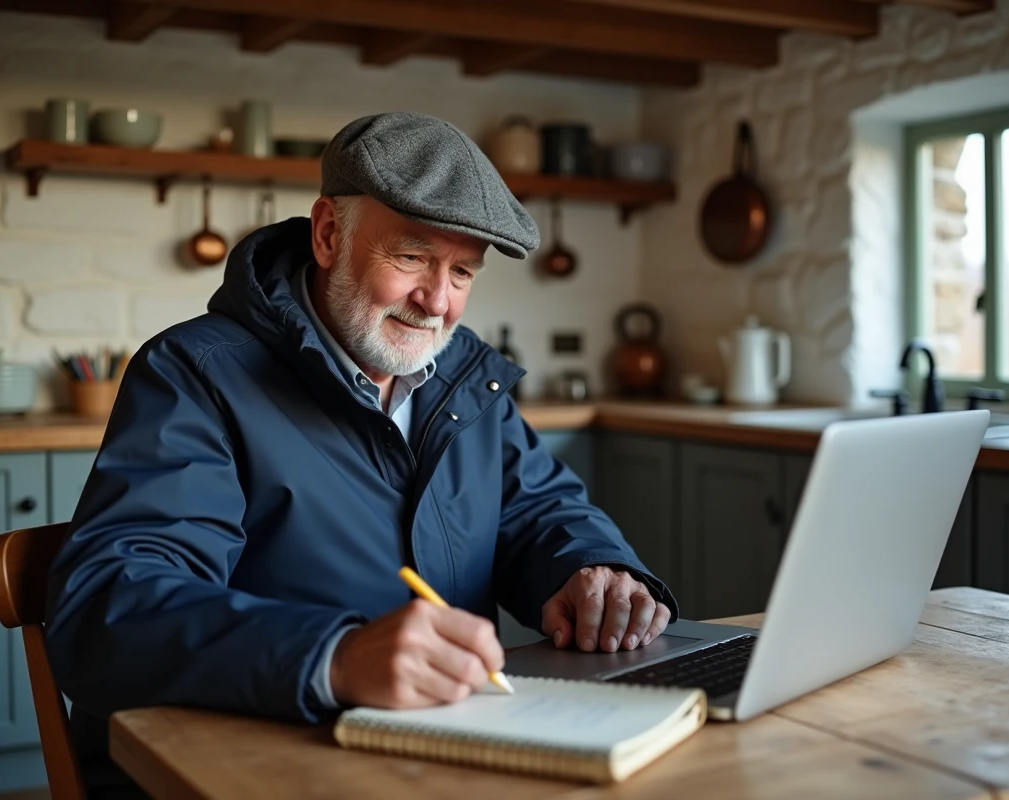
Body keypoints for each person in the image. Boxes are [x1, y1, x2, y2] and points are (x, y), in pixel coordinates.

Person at [45, 112, 676, 794]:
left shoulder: (465, 376)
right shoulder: (196, 374)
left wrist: (594, 569)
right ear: (328, 234)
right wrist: (333, 657)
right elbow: (110, 610)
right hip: (245, 771)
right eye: (411, 257)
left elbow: (538, 509)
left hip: (442, 760)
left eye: (462, 271)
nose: (437, 301)